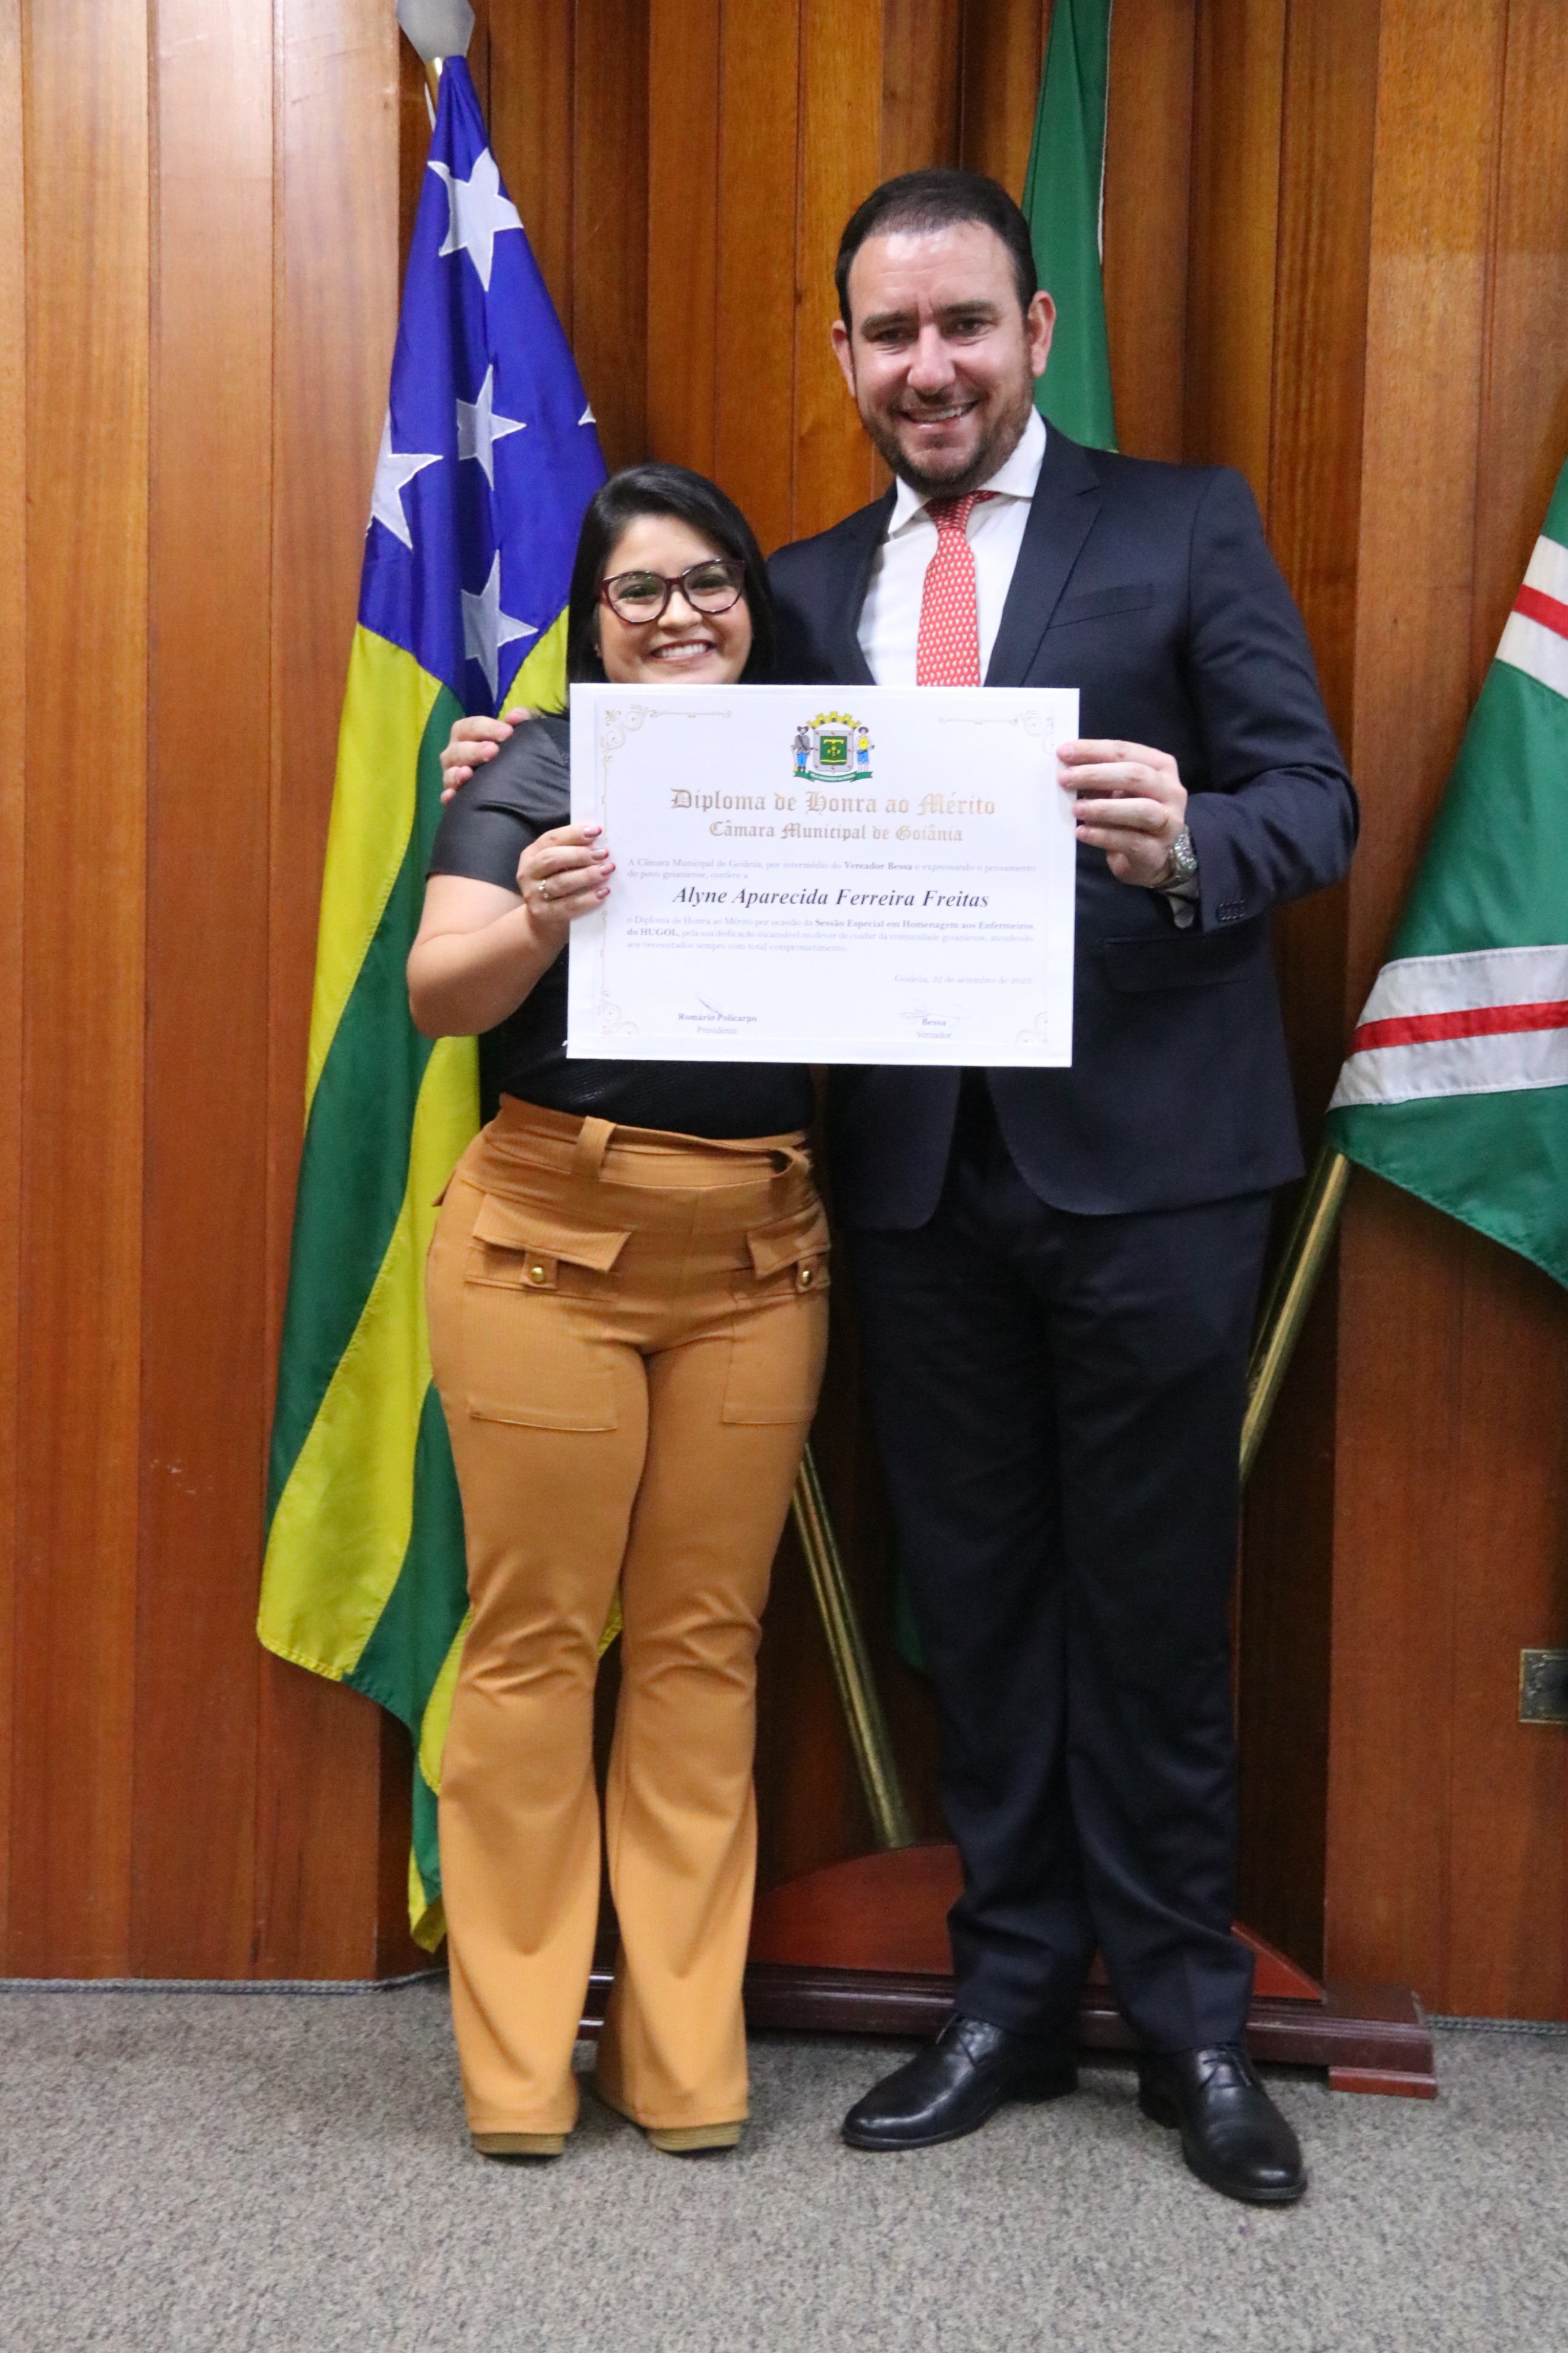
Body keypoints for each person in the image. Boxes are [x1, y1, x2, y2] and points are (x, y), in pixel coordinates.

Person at [439, 171, 1357, 2207]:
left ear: (1035, 330)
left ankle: (1192, 2027)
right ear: (846, 355)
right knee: (984, 1608)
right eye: (889, 334)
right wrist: (511, 770)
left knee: (1155, 1614)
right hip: (914, 1187)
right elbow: (681, 773)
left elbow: (1317, 801)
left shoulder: (1183, 525)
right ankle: (1008, 1996)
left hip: (1155, 1177)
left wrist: (1192, 836)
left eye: (963, 325)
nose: (927, 365)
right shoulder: (801, 585)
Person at [408, 464, 829, 2162]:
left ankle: (682, 2062)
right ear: (594, 620)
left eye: (710, 580)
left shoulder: (829, 763)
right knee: (532, 1643)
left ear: (752, 600)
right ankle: (518, 2071)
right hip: (544, 1253)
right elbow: (441, 993)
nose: (680, 615)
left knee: (706, 1651)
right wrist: (538, 911)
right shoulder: (531, 762)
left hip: (762, 1262)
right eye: (640, 589)